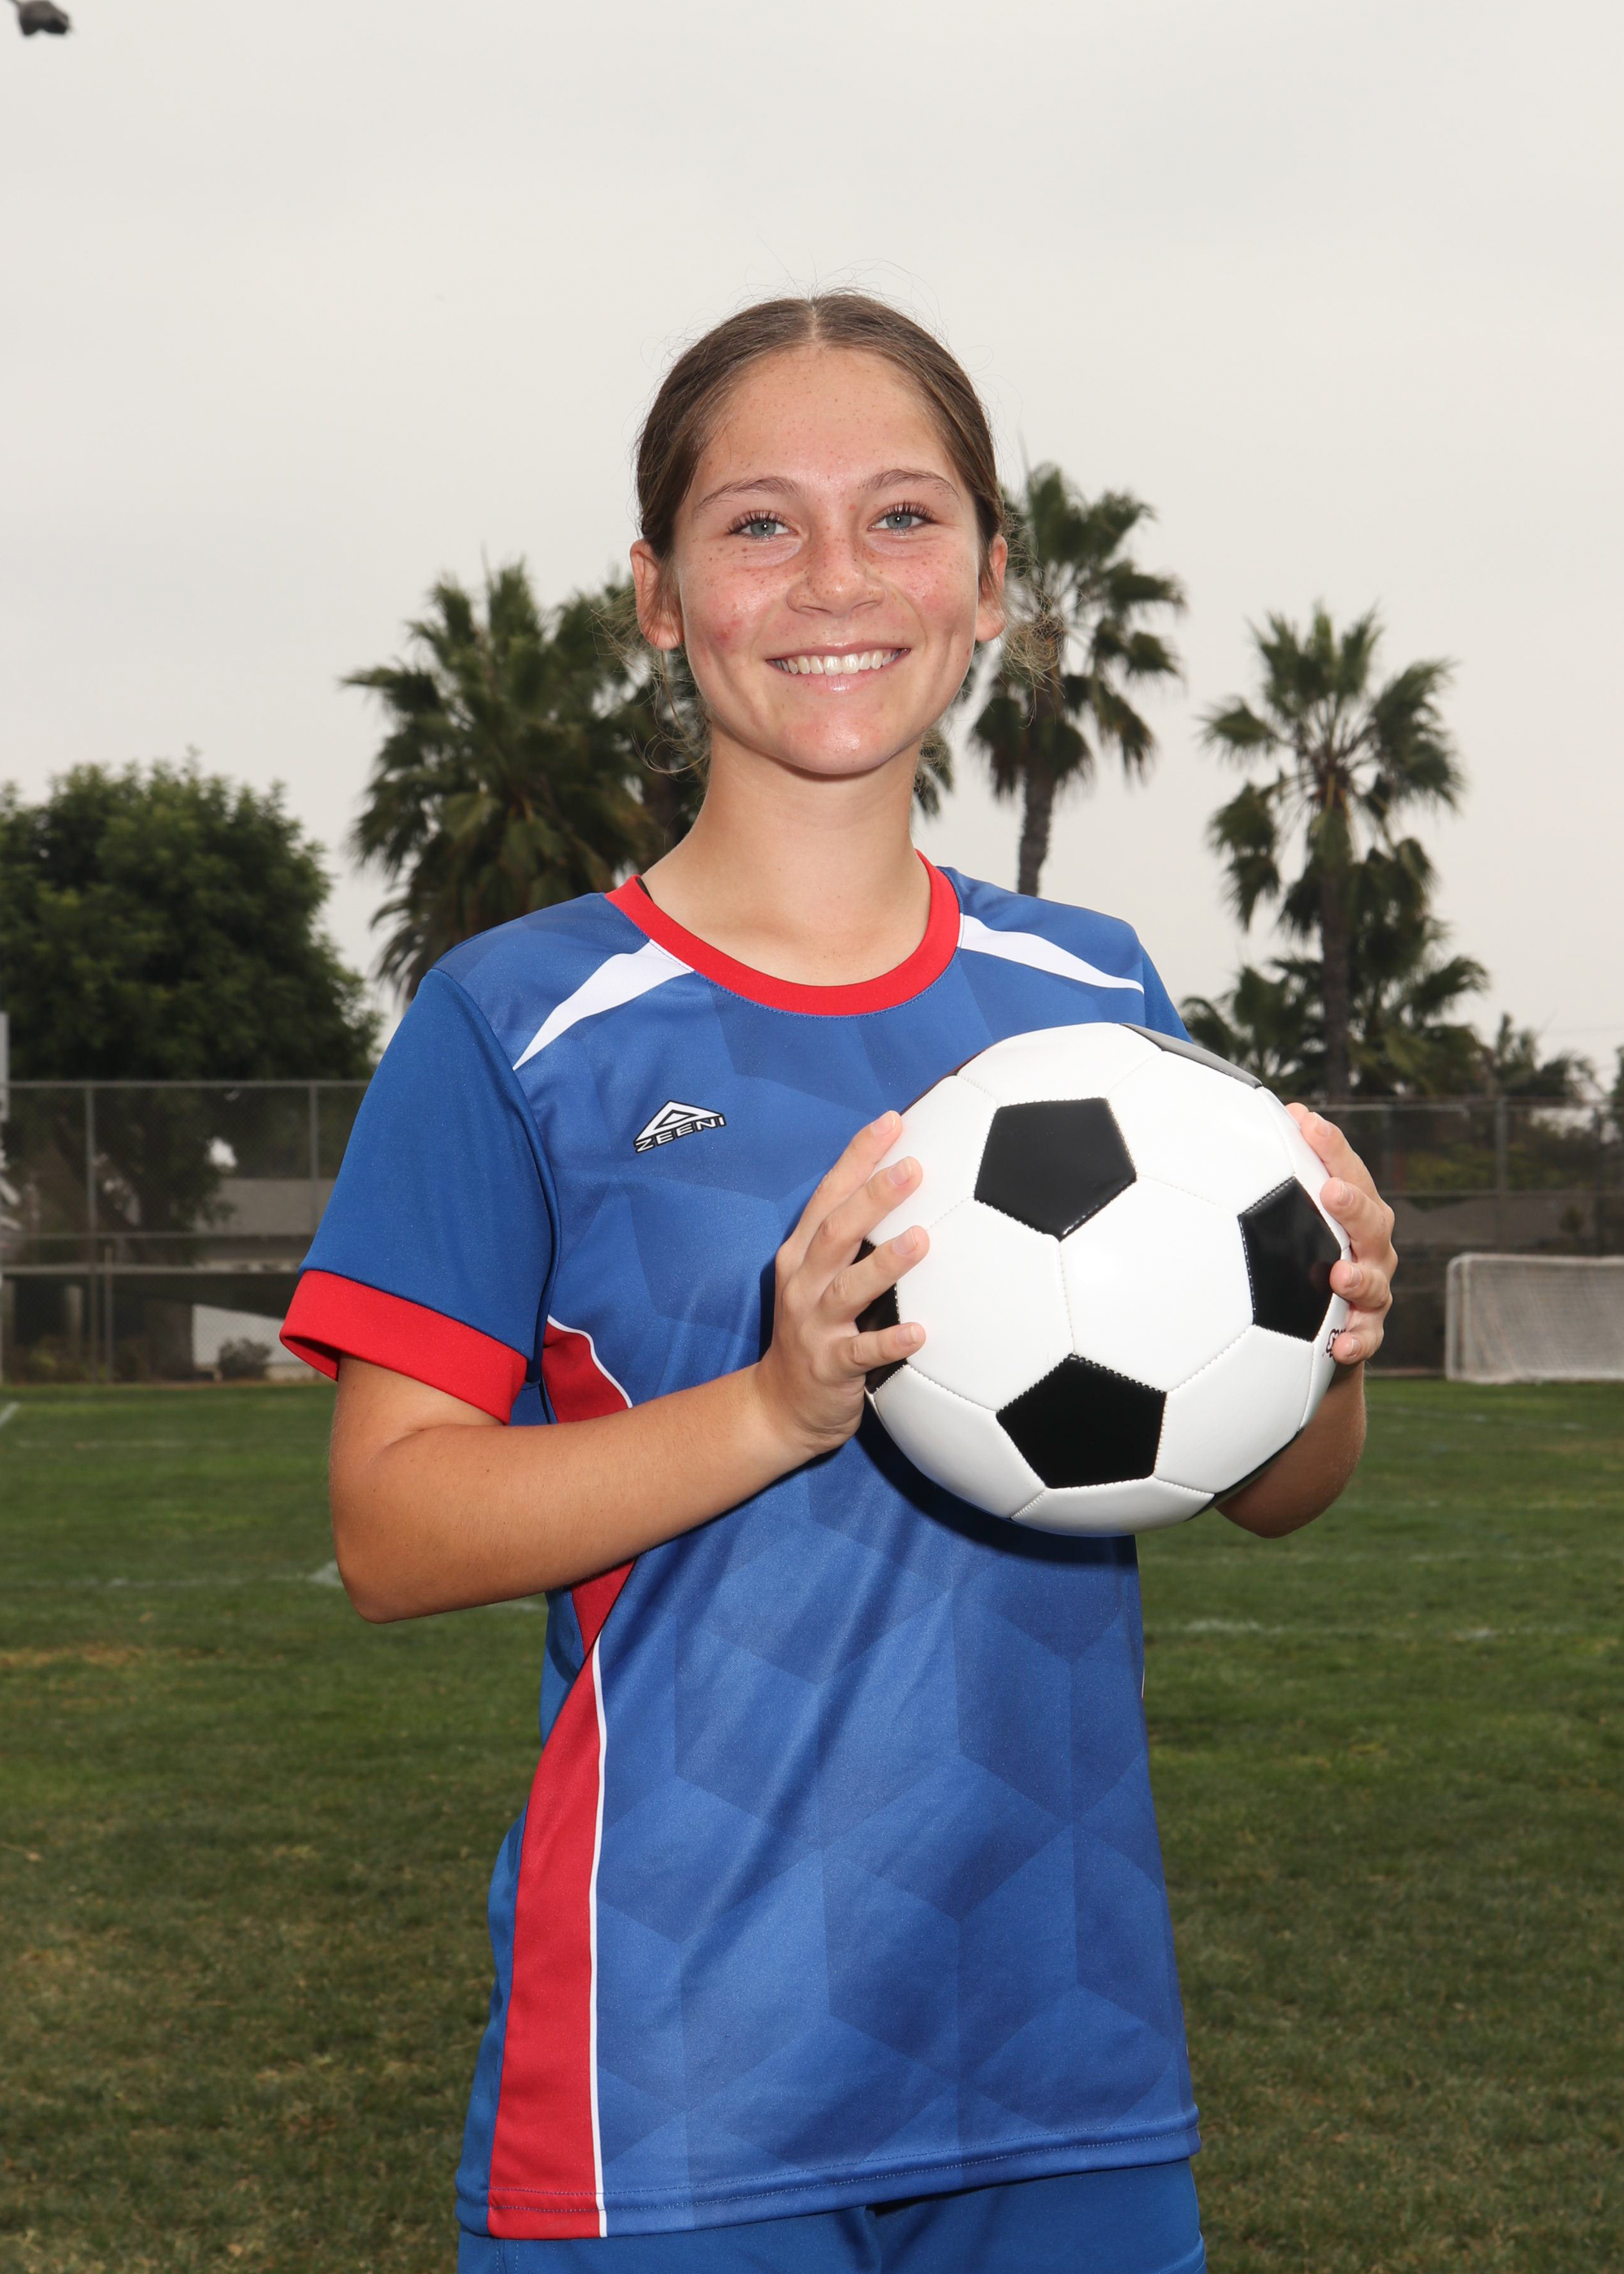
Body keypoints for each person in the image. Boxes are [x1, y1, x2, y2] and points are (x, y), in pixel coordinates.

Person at [283, 292, 1397, 2274]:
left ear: (990, 577)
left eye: (899, 515)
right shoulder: (519, 1018)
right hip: (675, 2079)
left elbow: (1273, 1488)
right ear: (656, 592)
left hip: (1062, 2057)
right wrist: (771, 1405)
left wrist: (1333, 1336)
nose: (833, 579)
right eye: (757, 523)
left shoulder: (1096, 998)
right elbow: (390, 1528)